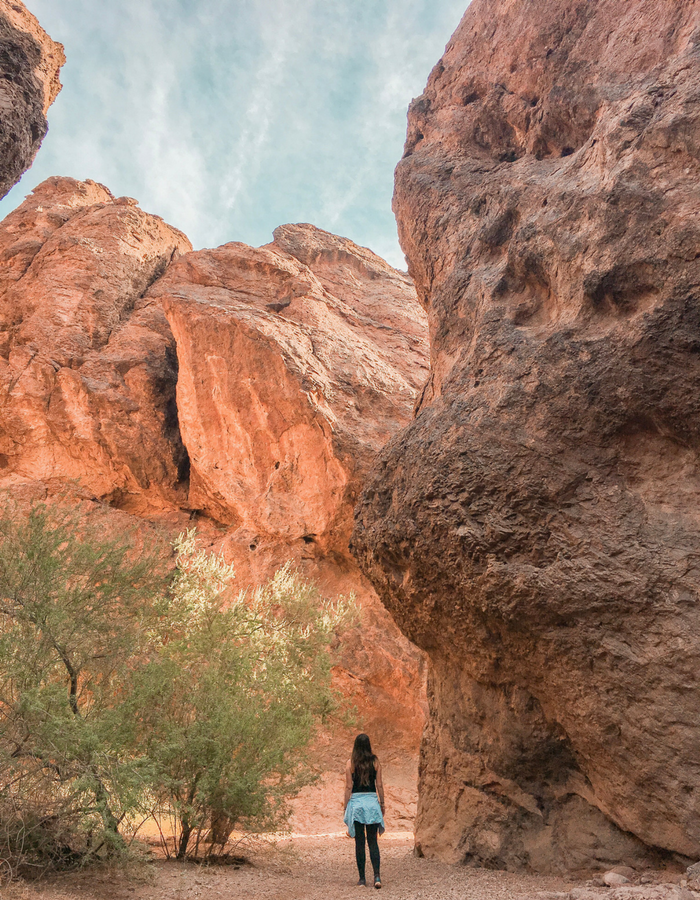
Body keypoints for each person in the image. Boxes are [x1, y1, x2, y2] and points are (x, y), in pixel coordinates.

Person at [343, 733, 385, 888]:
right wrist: (382, 803)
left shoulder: (351, 763)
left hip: (357, 804)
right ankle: (377, 877)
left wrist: (345, 806)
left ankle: (362, 879)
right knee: (373, 841)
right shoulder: (375, 762)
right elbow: (379, 785)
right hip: (372, 803)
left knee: (359, 842)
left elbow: (348, 787)